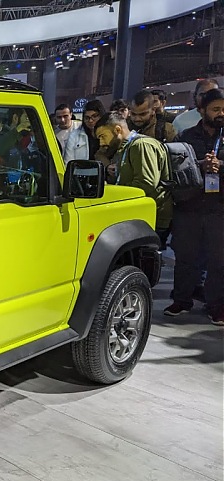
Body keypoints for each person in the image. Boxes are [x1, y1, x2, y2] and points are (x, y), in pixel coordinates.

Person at [163, 88, 224, 326]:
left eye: (223, 109)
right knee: (186, 258)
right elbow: (173, 167)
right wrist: (200, 165)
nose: (221, 113)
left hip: (219, 208)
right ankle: (182, 300)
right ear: (201, 111)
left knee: (218, 261)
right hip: (189, 206)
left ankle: (216, 306)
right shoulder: (186, 137)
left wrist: (220, 164)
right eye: (215, 109)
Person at [95, 111, 172, 248]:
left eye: (103, 136)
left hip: (152, 217)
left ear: (117, 129)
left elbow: (145, 185)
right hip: (139, 217)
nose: (101, 142)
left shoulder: (140, 145)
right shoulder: (125, 148)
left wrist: (114, 192)